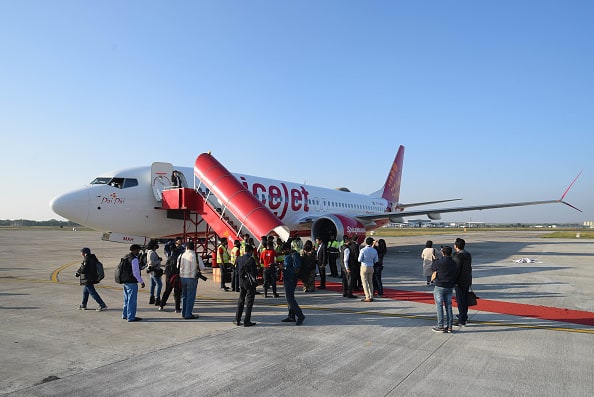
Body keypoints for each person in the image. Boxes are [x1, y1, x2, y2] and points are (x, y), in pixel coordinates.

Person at [431, 245, 458, 333]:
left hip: (440, 286)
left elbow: (433, 269)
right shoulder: (454, 263)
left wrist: (434, 260)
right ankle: (449, 326)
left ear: (443, 253)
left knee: (439, 306)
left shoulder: (439, 262)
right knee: (448, 306)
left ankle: (440, 325)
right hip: (449, 286)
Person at [178, 241, 205, 319]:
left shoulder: (181, 255)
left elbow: (178, 265)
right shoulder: (196, 256)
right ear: (194, 247)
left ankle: (183, 312)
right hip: (192, 278)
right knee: (190, 296)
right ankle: (188, 314)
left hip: (182, 278)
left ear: (186, 247)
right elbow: (202, 268)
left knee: (184, 296)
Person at [281, 243, 305, 325]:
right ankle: (291, 316)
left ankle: (300, 315)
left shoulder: (295, 255)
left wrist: (284, 268)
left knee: (290, 299)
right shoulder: (289, 255)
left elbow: (296, 269)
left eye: (284, 251)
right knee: (289, 298)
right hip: (287, 279)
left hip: (291, 279)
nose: (283, 252)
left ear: (287, 249)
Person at [234, 244, 259, 327]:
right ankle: (246, 321)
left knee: (241, 300)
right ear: (251, 251)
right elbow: (255, 272)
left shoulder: (239, 258)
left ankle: (237, 319)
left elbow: (237, 271)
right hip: (250, 283)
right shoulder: (251, 260)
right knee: (249, 302)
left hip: (242, 283)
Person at [159, 237, 183, 312]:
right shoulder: (180, 254)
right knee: (177, 292)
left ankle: (161, 305)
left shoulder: (169, 255)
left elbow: (166, 247)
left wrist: (171, 241)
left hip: (169, 275)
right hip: (176, 275)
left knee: (167, 291)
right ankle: (177, 308)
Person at [122, 244, 145, 322]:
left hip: (125, 281)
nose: (139, 252)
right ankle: (131, 317)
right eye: (138, 250)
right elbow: (135, 273)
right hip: (132, 282)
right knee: (132, 300)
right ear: (135, 250)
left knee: (126, 299)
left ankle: (125, 314)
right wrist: (141, 281)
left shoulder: (126, 257)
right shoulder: (134, 259)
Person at [453, 238, 472, 326]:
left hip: (459, 281)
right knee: (464, 299)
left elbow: (456, 270)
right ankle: (463, 315)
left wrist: (454, 281)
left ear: (456, 246)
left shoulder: (457, 256)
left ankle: (462, 320)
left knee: (460, 300)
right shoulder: (467, 254)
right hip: (467, 280)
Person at [358, 237, 378, 302]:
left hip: (364, 266)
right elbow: (376, 260)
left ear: (366, 242)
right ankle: (371, 296)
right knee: (370, 282)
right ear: (372, 243)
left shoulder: (363, 250)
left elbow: (359, 259)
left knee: (364, 282)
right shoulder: (374, 250)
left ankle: (367, 297)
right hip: (371, 267)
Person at [146, 239, 163, 306]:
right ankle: (157, 298)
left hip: (151, 271)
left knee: (153, 285)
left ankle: (151, 297)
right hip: (155, 270)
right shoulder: (152, 253)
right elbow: (152, 262)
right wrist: (159, 261)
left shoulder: (149, 252)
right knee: (159, 284)